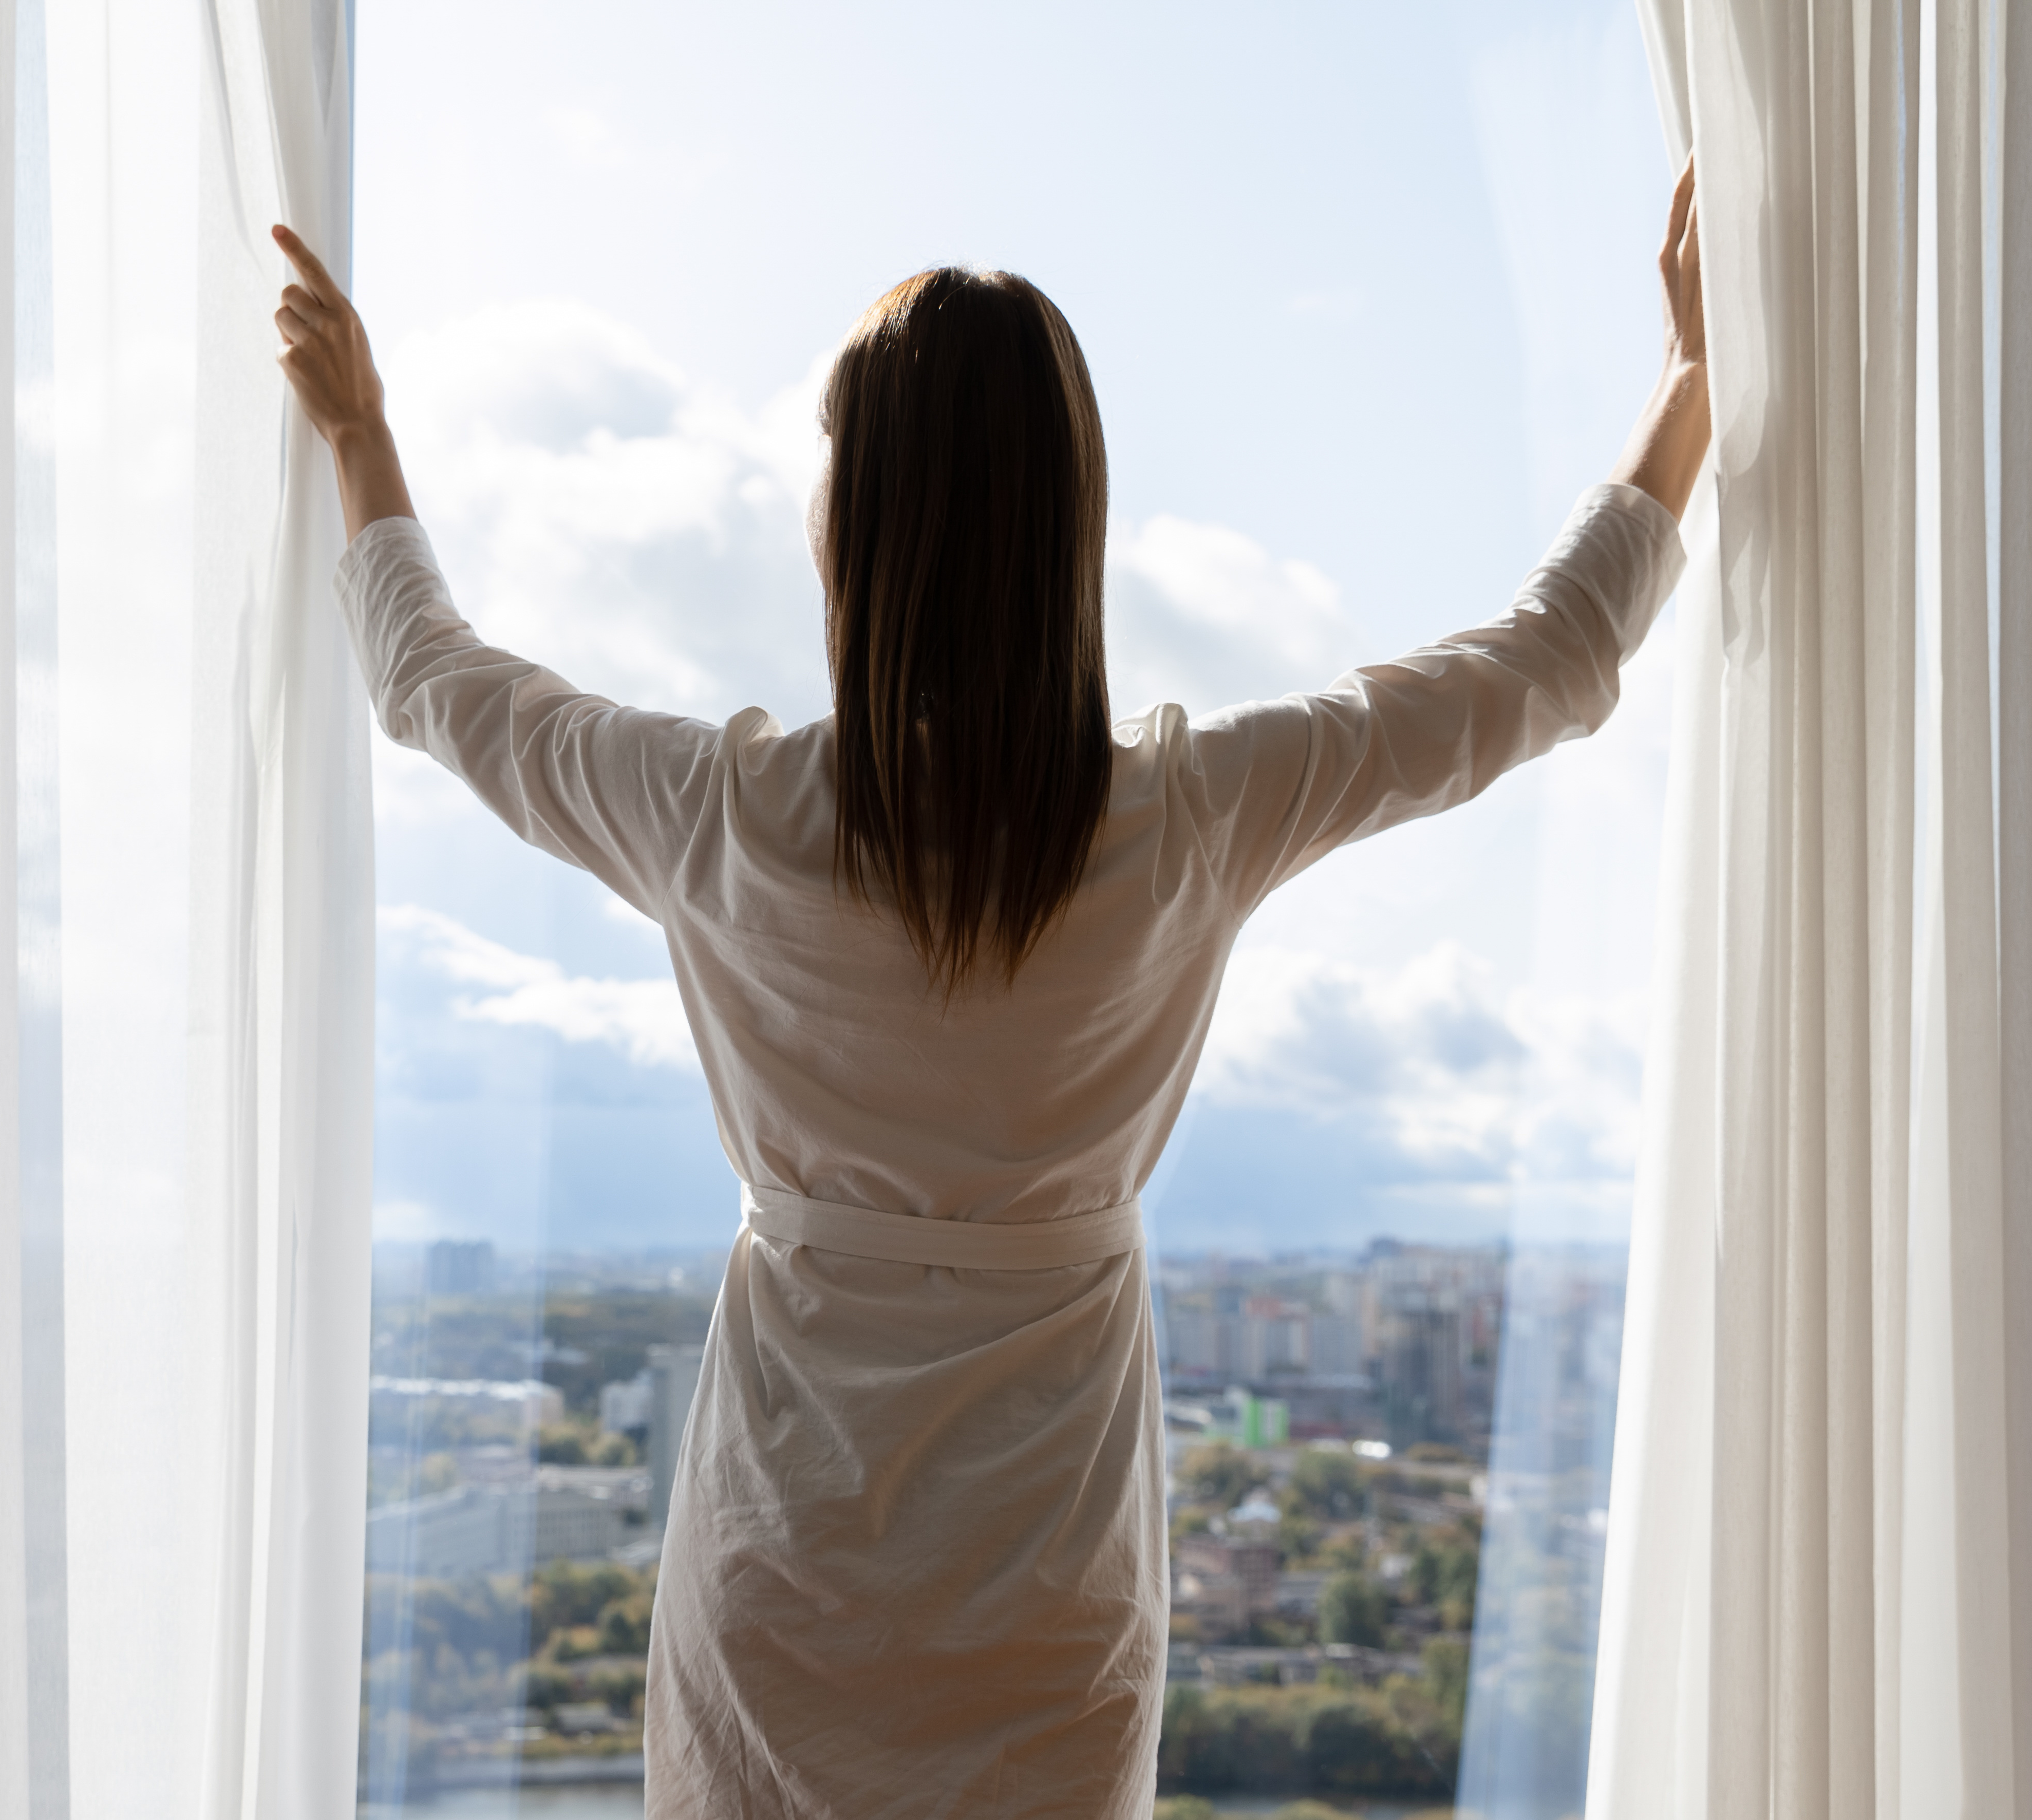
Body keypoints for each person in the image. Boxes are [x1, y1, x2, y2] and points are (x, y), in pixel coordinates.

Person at [269, 161, 1707, 1819]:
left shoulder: (717, 817)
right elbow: (1534, 670)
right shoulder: (1185, 819)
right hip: (1051, 1611)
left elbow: (429, 680)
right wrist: (1679, 404)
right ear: (1070, 518)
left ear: (854, 523)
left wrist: (362, 437)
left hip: (777, 1589)